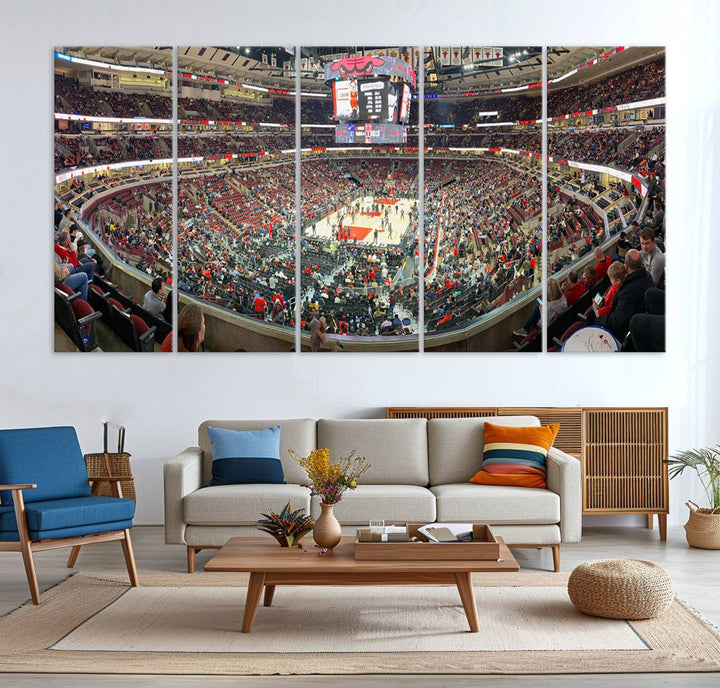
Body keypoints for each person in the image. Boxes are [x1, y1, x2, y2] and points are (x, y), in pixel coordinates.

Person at [596, 249, 653, 341]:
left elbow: (615, 323)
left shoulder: (626, 292)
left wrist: (599, 316)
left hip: (624, 334)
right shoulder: (647, 276)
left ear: (625, 264)